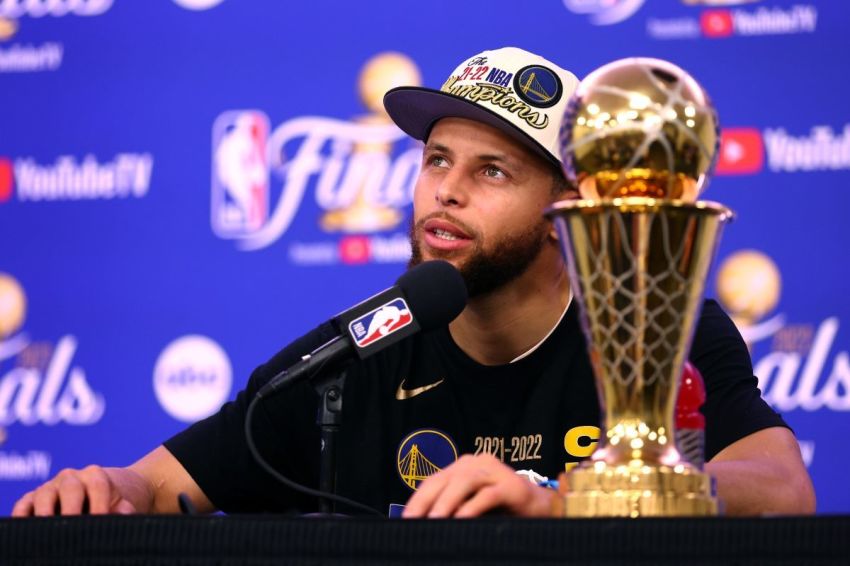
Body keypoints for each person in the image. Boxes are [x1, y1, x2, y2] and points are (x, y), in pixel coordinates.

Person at [12, 47, 814, 519]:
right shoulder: (368, 344)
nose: (446, 192)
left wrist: (559, 500)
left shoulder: (654, 326)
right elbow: (157, 485)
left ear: (565, 206)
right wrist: (102, 486)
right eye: (436, 160)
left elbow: (782, 488)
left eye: (491, 170)